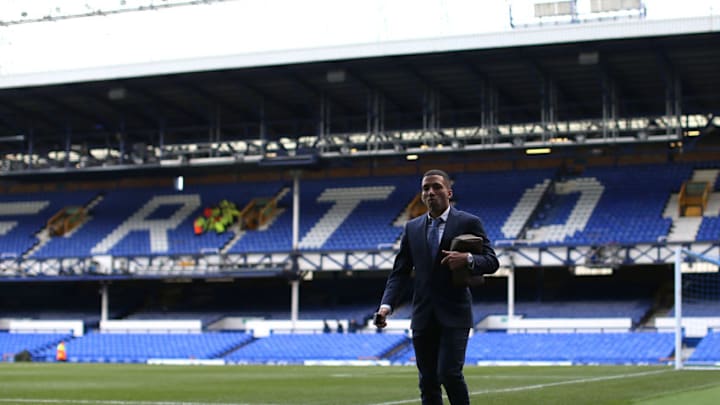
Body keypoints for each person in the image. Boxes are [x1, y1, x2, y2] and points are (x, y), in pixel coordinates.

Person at [374, 169, 499, 405]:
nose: (431, 192)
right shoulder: (411, 228)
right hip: (422, 316)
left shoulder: (468, 222)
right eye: (425, 188)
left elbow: (492, 262)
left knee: (449, 374)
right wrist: (386, 306)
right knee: (428, 381)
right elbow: (399, 272)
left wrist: (468, 260)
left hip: (455, 314)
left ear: (449, 192)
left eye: (436, 187)